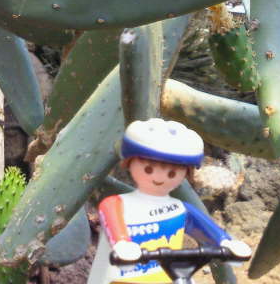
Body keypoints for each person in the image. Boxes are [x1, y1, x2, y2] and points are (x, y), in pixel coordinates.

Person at [88, 118, 251, 284]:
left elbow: (205, 228)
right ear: (129, 163)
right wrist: (122, 245)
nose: (159, 178)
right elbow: (113, 226)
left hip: (168, 278)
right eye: (149, 169)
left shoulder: (179, 209)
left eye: (171, 173)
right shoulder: (117, 204)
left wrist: (227, 243)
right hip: (122, 279)